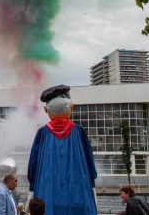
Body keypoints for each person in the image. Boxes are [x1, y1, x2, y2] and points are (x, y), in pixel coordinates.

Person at [28, 84, 97, 215]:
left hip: (46, 190)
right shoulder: (78, 131)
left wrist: (32, 187)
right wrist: (92, 184)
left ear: (46, 110)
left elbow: (33, 164)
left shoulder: (42, 133)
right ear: (71, 107)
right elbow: (90, 162)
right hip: (78, 193)